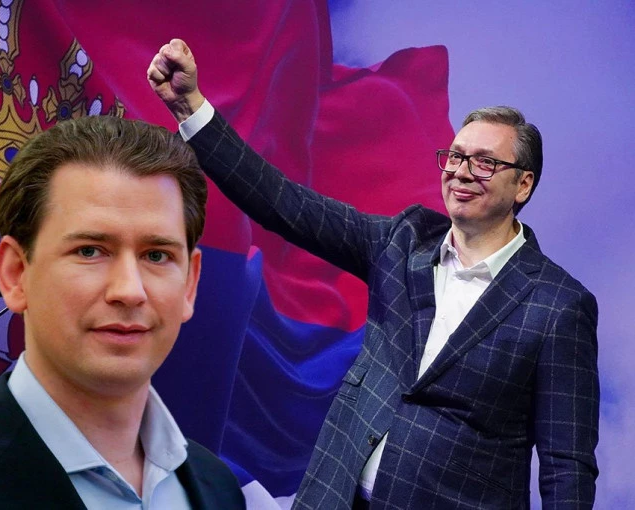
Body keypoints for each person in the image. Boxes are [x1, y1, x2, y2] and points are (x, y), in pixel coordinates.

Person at [147, 39, 599, 509]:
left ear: (523, 184)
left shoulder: (558, 306)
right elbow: (281, 201)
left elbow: (566, 466)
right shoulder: (402, 241)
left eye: (484, 162)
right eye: (455, 157)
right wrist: (190, 108)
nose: (462, 172)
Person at [0, 116, 246, 509]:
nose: (129, 291)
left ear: (190, 283)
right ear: (15, 273)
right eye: (90, 251)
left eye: (156, 255)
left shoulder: (217, 490)